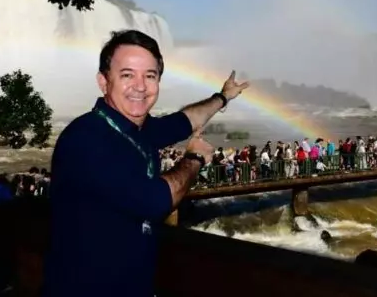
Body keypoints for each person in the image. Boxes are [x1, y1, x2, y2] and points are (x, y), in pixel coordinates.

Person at [42, 30, 249, 297]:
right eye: (127, 75)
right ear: (103, 82)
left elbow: (185, 120)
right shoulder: (85, 139)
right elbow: (155, 201)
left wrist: (222, 97)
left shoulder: (137, 128)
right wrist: (195, 158)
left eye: (150, 76)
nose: (140, 86)